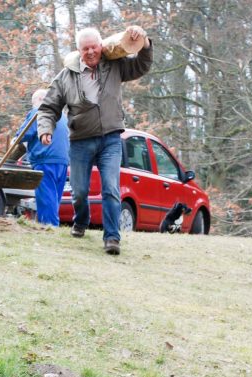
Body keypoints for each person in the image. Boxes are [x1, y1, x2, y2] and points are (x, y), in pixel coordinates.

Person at [38, 26, 152, 255]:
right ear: (79, 51)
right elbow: (48, 107)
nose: (91, 52)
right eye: (85, 48)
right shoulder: (65, 77)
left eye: (94, 47)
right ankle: (81, 221)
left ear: (101, 46)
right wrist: (45, 129)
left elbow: (141, 65)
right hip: (80, 141)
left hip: (110, 138)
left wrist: (145, 44)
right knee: (79, 192)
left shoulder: (115, 65)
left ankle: (112, 237)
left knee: (111, 188)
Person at [13, 89, 69, 226]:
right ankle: (45, 224)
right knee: (53, 197)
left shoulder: (38, 111)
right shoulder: (62, 115)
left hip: (45, 160)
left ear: (38, 100)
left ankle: (50, 228)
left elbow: (23, 134)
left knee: (46, 197)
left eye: (33, 104)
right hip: (62, 162)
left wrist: (14, 140)